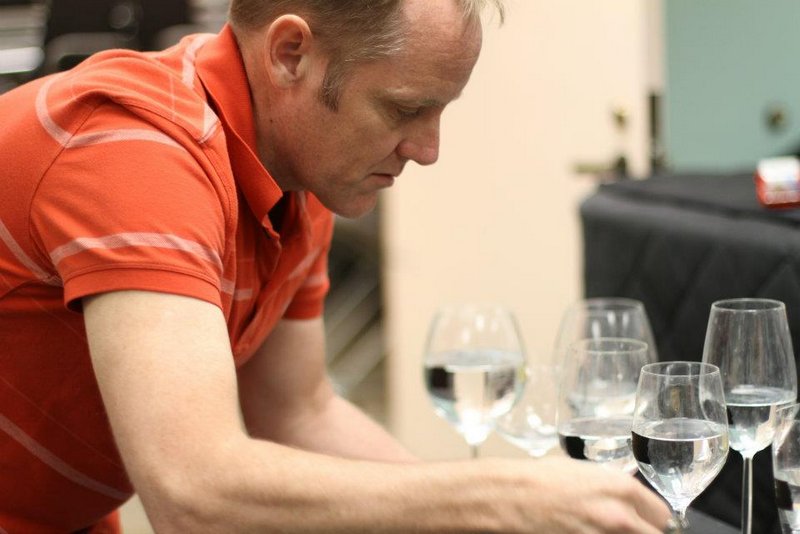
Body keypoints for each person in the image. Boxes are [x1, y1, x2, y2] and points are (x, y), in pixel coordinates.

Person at [0, 0, 672, 532]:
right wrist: (497, 497)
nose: (429, 149)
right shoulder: (135, 150)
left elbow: (299, 412)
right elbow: (192, 492)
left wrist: (496, 512)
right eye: (405, 108)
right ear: (290, 53)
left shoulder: (296, 172)